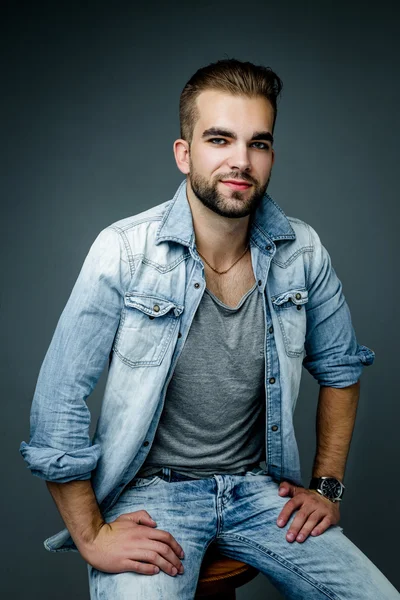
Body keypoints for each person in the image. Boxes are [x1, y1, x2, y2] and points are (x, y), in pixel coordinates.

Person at [20, 58, 399, 599]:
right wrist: (90, 534)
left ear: (271, 156)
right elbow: (57, 404)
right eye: (219, 139)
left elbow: (340, 369)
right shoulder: (124, 251)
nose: (240, 161)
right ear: (185, 153)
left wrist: (326, 487)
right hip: (152, 500)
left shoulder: (304, 252)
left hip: (260, 492)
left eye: (258, 144)